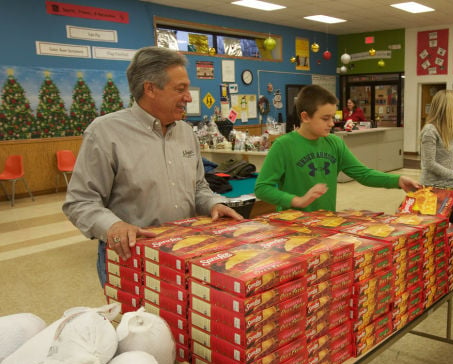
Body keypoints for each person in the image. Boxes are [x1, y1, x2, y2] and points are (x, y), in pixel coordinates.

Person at [63, 46, 243, 287]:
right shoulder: (105, 132)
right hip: (132, 260)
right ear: (150, 89)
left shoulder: (186, 133)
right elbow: (80, 201)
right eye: (180, 89)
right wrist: (113, 226)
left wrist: (213, 203)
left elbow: (198, 186)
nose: (189, 98)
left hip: (185, 254)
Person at [254, 84, 420, 212]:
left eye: (333, 117)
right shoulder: (283, 145)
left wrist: (397, 180)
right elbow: (262, 188)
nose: (332, 123)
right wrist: (296, 201)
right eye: (325, 118)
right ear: (305, 117)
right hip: (291, 225)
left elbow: (363, 174)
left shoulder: (335, 143)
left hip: (326, 223)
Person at [419, 90, 453, 188]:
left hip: (446, 179)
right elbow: (429, 164)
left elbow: (450, 158)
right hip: (433, 183)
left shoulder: (450, 129)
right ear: (448, 108)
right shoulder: (430, 131)